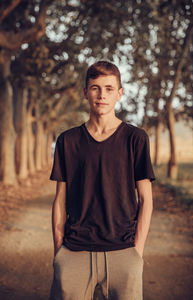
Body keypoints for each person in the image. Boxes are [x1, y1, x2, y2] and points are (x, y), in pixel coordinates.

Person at [49, 61, 155, 300]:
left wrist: (137, 252)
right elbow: (59, 200)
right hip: (74, 251)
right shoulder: (68, 141)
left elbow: (146, 199)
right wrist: (59, 252)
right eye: (95, 88)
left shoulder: (135, 139)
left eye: (109, 89)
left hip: (124, 252)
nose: (102, 95)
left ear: (120, 93)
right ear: (86, 92)